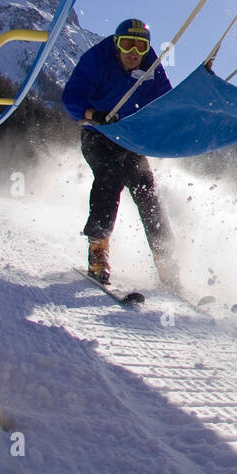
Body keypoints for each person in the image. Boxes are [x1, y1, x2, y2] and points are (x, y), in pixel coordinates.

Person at [62, 19, 173, 284]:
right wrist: (93, 114)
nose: (134, 52)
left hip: (128, 137)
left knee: (146, 189)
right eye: (127, 44)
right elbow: (71, 98)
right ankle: (98, 250)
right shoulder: (97, 59)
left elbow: (167, 100)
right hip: (97, 133)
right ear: (116, 44)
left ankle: (166, 260)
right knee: (109, 176)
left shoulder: (150, 66)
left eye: (141, 46)